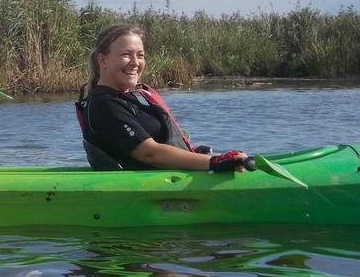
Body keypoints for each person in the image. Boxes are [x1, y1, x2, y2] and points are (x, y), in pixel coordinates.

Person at [75, 24, 249, 172]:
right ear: (103, 60)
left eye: (140, 55)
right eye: (126, 54)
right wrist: (214, 163)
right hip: (147, 188)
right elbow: (150, 153)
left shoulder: (127, 98)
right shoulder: (105, 105)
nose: (135, 62)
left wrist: (193, 153)